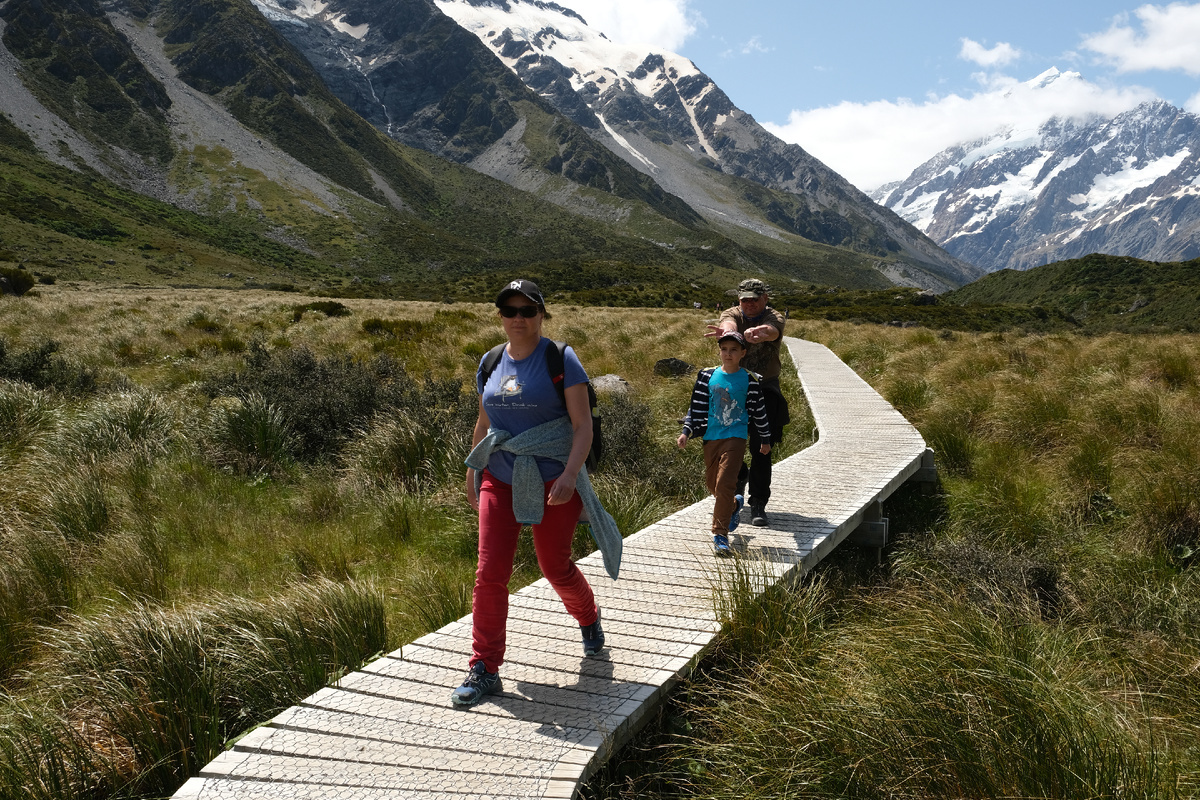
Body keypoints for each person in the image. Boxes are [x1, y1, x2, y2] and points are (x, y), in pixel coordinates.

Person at [454, 279, 621, 708]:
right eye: (510, 311)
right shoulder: (491, 361)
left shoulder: (560, 358)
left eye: (527, 311)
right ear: (500, 317)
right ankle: (485, 667)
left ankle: (589, 618)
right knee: (489, 573)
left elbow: (582, 426)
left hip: (552, 476)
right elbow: (485, 420)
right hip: (500, 474)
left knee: (554, 566)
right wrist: (473, 470)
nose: (518, 319)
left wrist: (569, 475)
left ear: (541, 314)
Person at [677, 330, 772, 555]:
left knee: (725, 483)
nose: (728, 354)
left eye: (733, 350)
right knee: (714, 486)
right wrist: (686, 431)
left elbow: (759, 412)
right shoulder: (707, 377)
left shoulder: (750, 379)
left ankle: (720, 535)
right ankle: (735, 505)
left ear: (743, 353)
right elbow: (697, 407)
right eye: (724, 349)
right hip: (711, 437)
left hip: (736, 437)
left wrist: (765, 439)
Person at [704, 278, 789, 527]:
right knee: (731, 444)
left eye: (754, 299)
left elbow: (773, 330)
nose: (749, 304)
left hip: (765, 390)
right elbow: (727, 321)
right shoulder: (733, 313)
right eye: (745, 300)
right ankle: (733, 496)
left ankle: (759, 503)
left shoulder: (773, 316)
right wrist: (731, 331)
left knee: (763, 447)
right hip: (734, 390)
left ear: (765, 299)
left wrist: (762, 333)